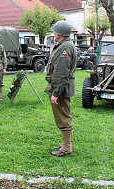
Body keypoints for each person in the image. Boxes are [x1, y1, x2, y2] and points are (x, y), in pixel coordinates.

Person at [44, 21, 77, 157]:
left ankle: (66, 147)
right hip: (60, 87)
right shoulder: (64, 46)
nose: (54, 34)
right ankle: (65, 144)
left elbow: (61, 73)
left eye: (55, 32)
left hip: (61, 89)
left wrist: (55, 94)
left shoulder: (65, 48)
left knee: (63, 118)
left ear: (60, 34)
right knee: (62, 117)